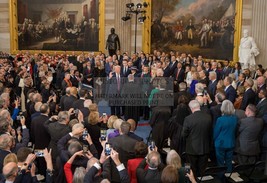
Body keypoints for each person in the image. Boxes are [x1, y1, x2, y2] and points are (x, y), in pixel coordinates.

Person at [213, 100, 238, 172]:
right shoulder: (235, 118)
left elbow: (216, 133)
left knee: (220, 163)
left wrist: (214, 141)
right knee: (229, 162)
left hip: (220, 144)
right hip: (231, 143)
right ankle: (228, 177)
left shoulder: (220, 119)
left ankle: (221, 178)